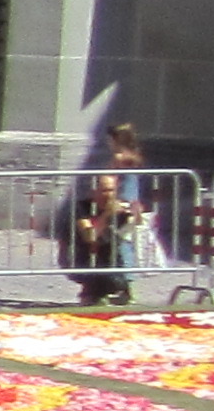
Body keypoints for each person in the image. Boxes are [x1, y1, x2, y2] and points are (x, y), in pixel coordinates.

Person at [62, 123, 150, 311]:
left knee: (119, 242)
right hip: (128, 199)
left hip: (122, 200)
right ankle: (115, 285)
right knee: (119, 240)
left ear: (114, 139)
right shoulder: (134, 155)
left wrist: (112, 200)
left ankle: (122, 282)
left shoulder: (119, 157)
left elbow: (113, 179)